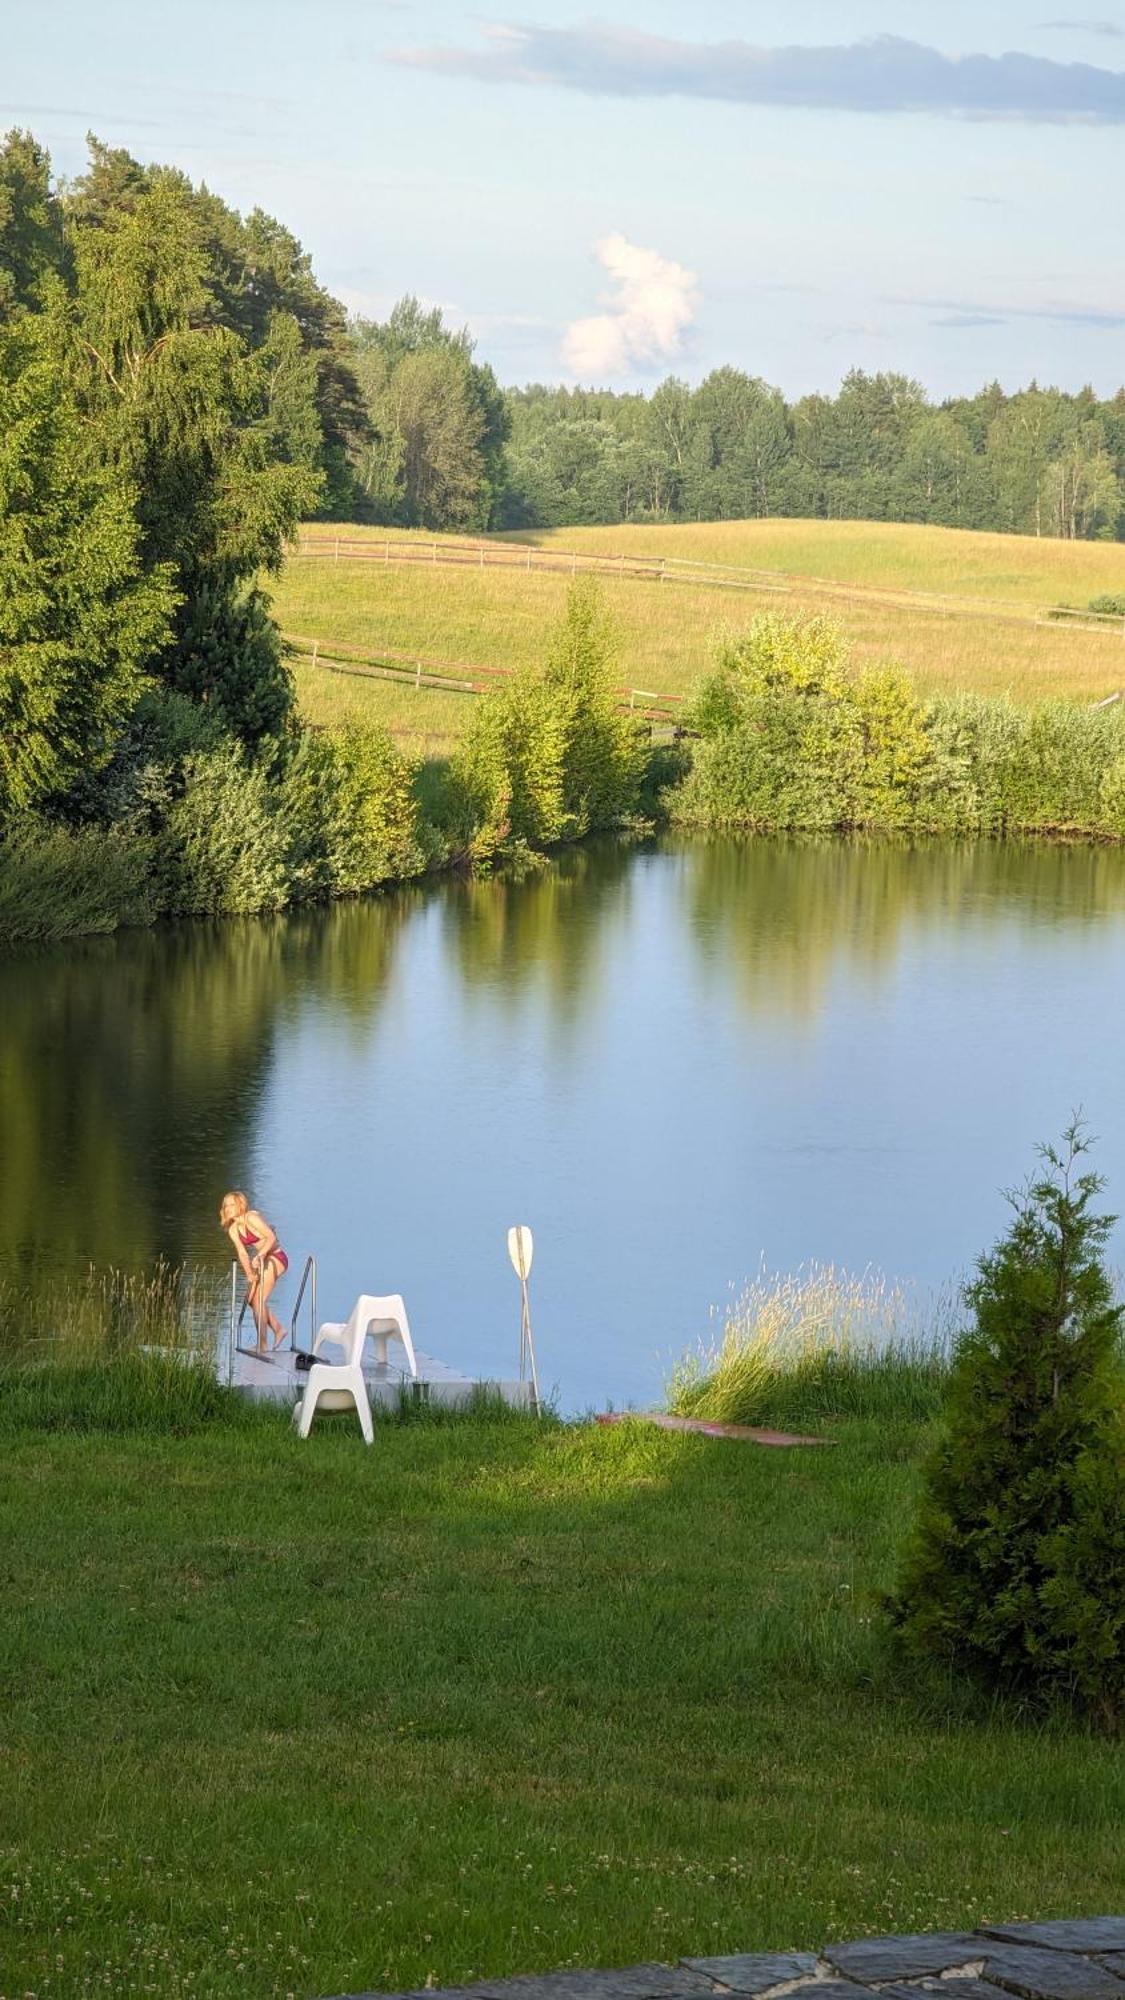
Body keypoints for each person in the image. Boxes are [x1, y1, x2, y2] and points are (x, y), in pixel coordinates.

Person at [219, 1191, 289, 1355]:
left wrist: (261, 1254)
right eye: (225, 1206)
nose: (228, 1208)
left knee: (259, 1300)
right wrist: (249, 1274)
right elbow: (242, 1254)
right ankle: (278, 1329)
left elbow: (271, 1237)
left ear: (240, 1205)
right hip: (262, 1259)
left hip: (275, 1257)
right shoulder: (233, 1229)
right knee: (250, 1300)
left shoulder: (251, 1217)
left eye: (232, 1204)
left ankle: (262, 1345)